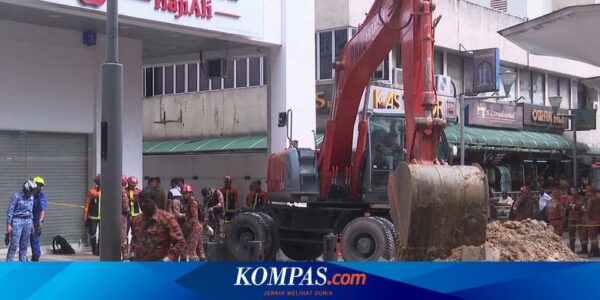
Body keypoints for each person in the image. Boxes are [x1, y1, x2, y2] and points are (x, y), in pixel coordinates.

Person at [130, 188, 186, 261]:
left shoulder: (167, 219)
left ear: (154, 201)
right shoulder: (137, 220)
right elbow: (134, 240)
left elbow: (180, 242)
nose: (143, 205)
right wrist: (132, 256)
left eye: (146, 202)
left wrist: (168, 259)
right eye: (140, 202)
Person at [6, 180, 37, 262]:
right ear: (26, 189)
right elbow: (10, 210)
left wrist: (32, 223)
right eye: (30, 191)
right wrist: (9, 224)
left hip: (28, 221)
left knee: (24, 246)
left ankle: (22, 266)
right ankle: (8, 265)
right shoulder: (17, 196)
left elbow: (31, 211)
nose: (31, 193)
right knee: (14, 245)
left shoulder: (32, 197)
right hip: (17, 221)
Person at [181, 184, 205, 261]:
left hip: (194, 228)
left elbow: (194, 218)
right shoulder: (189, 202)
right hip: (196, 227)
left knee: (191, 250)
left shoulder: (192, 203)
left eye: (186, 193)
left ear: (190, 193)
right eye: (183, 193)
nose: (184, 195)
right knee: (200, 250)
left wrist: (186, 227)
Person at [83, 174, 101, 256]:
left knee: (102, 234)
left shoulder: (108, 192)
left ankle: (100, 250)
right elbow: (86, 205)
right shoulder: (92, 191)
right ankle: (94, 247)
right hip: (92, 216)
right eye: (99, 182)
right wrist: (85, 217)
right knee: (92, 233)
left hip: (103, 217)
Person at [30, 176, 47, 262]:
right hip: (25, 220)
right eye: (38, 185)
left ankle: (35, 259)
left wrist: (41, 221)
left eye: (41, 185)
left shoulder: (42, 195)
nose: (39, 187)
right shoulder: (28, 192)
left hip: (36, 220)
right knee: (23, 241)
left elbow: (42, 209)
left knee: (35, 240)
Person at [567, 187, 586, 252]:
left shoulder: (581, 198)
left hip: (579, 218)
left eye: (573, 190)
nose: (572, 192)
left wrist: (573, 206)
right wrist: (575, 206)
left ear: (577, 191)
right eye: (571, 190)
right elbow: (567, 206)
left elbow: (581, 207)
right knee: (571, 234)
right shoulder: (569, 198)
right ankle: (572, 249)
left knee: (582, 234)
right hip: (571, 218)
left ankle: (584, 249)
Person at [585, 184, 600, 257]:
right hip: (598, 219)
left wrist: (583, 209)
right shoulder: (598, 198)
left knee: (593, 237)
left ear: (591, 192)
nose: (586, 193)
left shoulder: (591, 199)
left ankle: (596, 251)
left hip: (592, 220)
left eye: (587, 191)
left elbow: (588, 209)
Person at [120, 175, 130, 261]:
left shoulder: (111, 190)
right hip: (122, 216)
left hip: (112, 216)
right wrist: (128, 211)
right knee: (123, 235)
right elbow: (125, 205)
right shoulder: (123, 192)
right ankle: (125, 254)